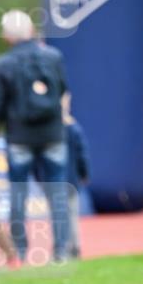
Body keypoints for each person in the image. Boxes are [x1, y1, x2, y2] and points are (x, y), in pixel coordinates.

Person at [0, 10, 69, 263]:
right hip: (53, 133)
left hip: (20, 136)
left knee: (19, 194)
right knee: (57, 192)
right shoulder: (53, 56)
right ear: (32, 30)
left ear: (7, 36)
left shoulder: (5, 63)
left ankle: (20, 251)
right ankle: (61, 251)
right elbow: (63, 89)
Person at [61, 92, 91, 258]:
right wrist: (84, 173)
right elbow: (83, 153)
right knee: (71, 212)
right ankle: (74, 246)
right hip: (72, 179)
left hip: (59, 180)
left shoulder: (53, 129)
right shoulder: (74, 128)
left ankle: (64, 245)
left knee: (61, 213)